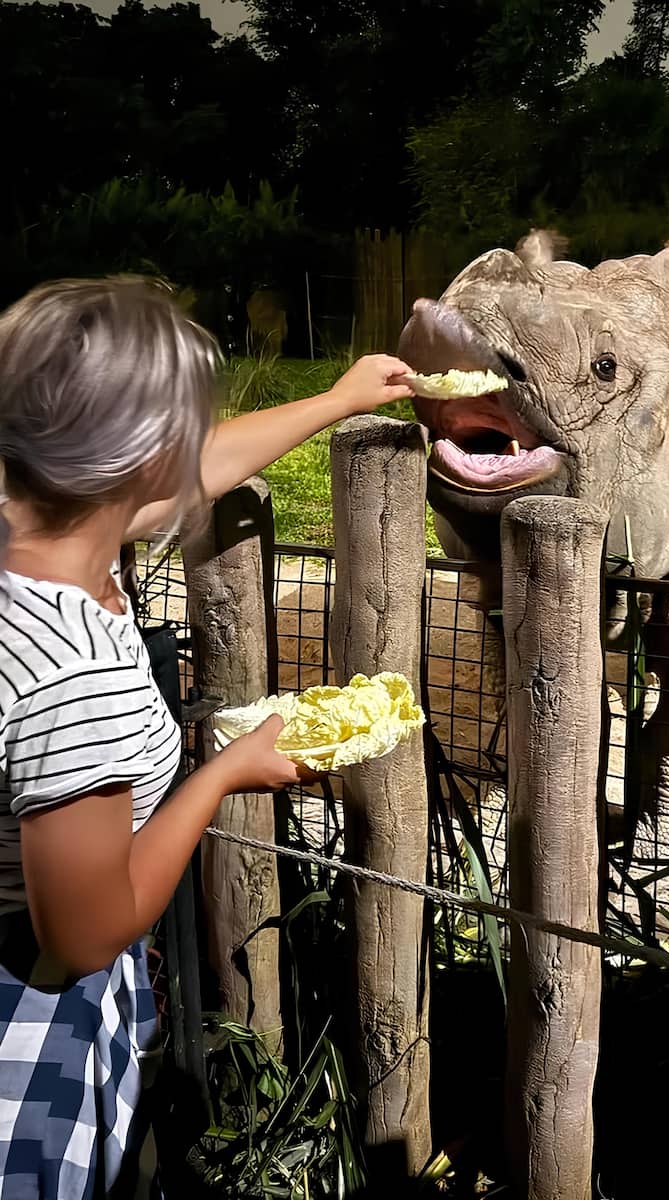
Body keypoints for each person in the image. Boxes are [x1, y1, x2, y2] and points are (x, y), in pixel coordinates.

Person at [0, 276, 414, 1197]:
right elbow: (83, 933)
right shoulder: (73, 675)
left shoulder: (31, 535)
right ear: (141, 455)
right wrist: (221, 774)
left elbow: (181, 480)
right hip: (28, 1032)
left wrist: (340, 398)